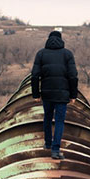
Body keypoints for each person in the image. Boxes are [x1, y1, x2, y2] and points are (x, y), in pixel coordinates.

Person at [31, 30, 78, 160]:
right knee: (59, 121)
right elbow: (73, 76)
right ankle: (55, 150)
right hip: (63, 94)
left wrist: (36, 94)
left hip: (46, 93)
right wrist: (73, 95)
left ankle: (47, 143)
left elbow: (35, 75)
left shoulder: (41, 54)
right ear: (61, 39)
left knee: (47, 118)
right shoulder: (67, 54)